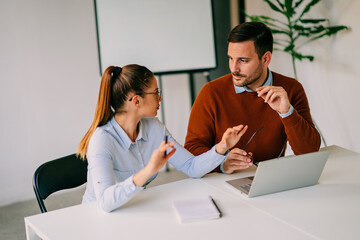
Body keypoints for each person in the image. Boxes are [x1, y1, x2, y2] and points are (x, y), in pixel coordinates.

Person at [77, 64, 248, 212]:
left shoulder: (154, 127)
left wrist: (222, 147)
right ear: (136, 101)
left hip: (136, 208)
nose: (160, 98)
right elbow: (105, 202)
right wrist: (148, 171)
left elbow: (191, 167)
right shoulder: (102, 140)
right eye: (156, 93)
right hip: (99, 218)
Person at [184, 22, 321, 174]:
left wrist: (287, 112)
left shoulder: (291, 89)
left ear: (266, 59)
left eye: (243, 60)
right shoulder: (211, 92)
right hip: (222, 182)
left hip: (271, 180)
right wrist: (221, 163)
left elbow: (309, 152)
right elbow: (192, 149)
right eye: (230, 58)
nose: (234, 68)